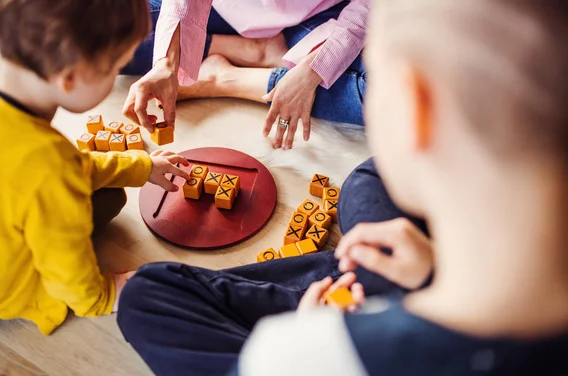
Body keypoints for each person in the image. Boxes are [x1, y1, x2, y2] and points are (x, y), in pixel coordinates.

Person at [118, 0, 568, 374]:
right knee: (364, 185)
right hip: (421, 272)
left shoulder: (298, 356)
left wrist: (311, 336)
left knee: (146, 295)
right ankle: (386, 280)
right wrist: (431, 273)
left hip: (340, 336)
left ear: (415, 112)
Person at [0, 0, 190, 336]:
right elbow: (65, 257)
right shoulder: (45, 164)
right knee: (107, 200)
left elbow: (71, 168)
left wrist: (142, 167)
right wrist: (100, 296)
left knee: (100, 191)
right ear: (71, 78)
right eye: (115, 67)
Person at [121, 0, 371, 150]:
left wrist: (312, 69)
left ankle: (224, 79)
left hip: (322, 15)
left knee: (385, 96)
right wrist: (166, 64)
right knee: (98, 31)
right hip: (224, 9)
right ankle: (252, 50)